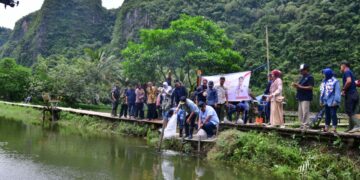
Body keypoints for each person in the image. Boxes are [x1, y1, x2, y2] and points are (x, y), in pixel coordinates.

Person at [292, 64, 314, 129]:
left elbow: (310, 87)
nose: (301, 71)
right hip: (300, 96)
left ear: (306, 70)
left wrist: (300, 86)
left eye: (302, 70)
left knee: (305, 112)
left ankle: (306, 125)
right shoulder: (302, 77)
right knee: (300, 112)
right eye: (300, 70)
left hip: (306, 97)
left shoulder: (310, 77)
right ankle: (301, 125)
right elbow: (299, 86)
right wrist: (296, 85)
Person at [340, 61, 360, 133]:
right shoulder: (350, 72)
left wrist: (343, 89)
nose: (340, 68)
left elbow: (348, 81)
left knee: (349, 111)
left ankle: (358, 125)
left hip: (351, 94)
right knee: (351, 112)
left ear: (344, 66)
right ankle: (351, 128)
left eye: (341, 66)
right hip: (355, 94)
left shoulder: (347, 72)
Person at [320, 68, 341, 133]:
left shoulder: (335, 81)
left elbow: (337, 91)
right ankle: (326, 128)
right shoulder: (324, 81)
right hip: (326, 101)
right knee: (327, 115)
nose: (323, 75)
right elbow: (322, 91)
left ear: (328, 74)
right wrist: (321, 100)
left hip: (333, 101)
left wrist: (336, 101)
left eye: (324, 74)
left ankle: (334, 128)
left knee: (333, 114)